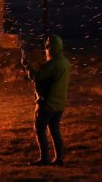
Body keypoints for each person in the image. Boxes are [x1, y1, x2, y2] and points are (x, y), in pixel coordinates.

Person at [21, 34, 72, 166]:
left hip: (47, 103)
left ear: (51, 47)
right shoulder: (66, 62)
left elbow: (36, 77)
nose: (46, 49)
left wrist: (27, 66)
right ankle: (59, 159)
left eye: (47, 46)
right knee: (54, 130)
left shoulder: (53, 64)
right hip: (59, 104)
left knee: (40, 129)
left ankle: (44, 159)